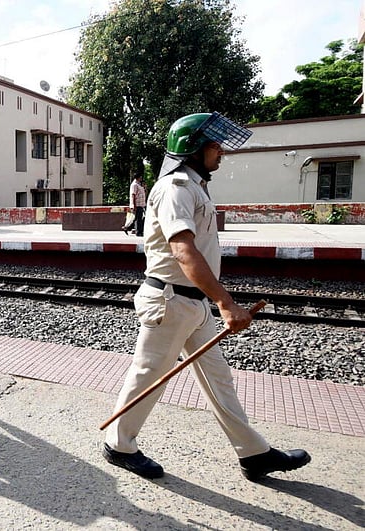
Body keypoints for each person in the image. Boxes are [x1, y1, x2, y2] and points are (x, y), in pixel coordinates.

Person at [102, 112, 310, 481]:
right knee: (150, 375)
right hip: (169, 301)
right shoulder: (175, 188)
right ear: (192, 148)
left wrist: (212, 300)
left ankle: (253, 453)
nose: (221, 153)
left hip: (193, 303)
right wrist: (226, 303)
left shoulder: (195, 187)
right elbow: (184, 251)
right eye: (215, 146)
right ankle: (119, 446)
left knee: (219, 379)